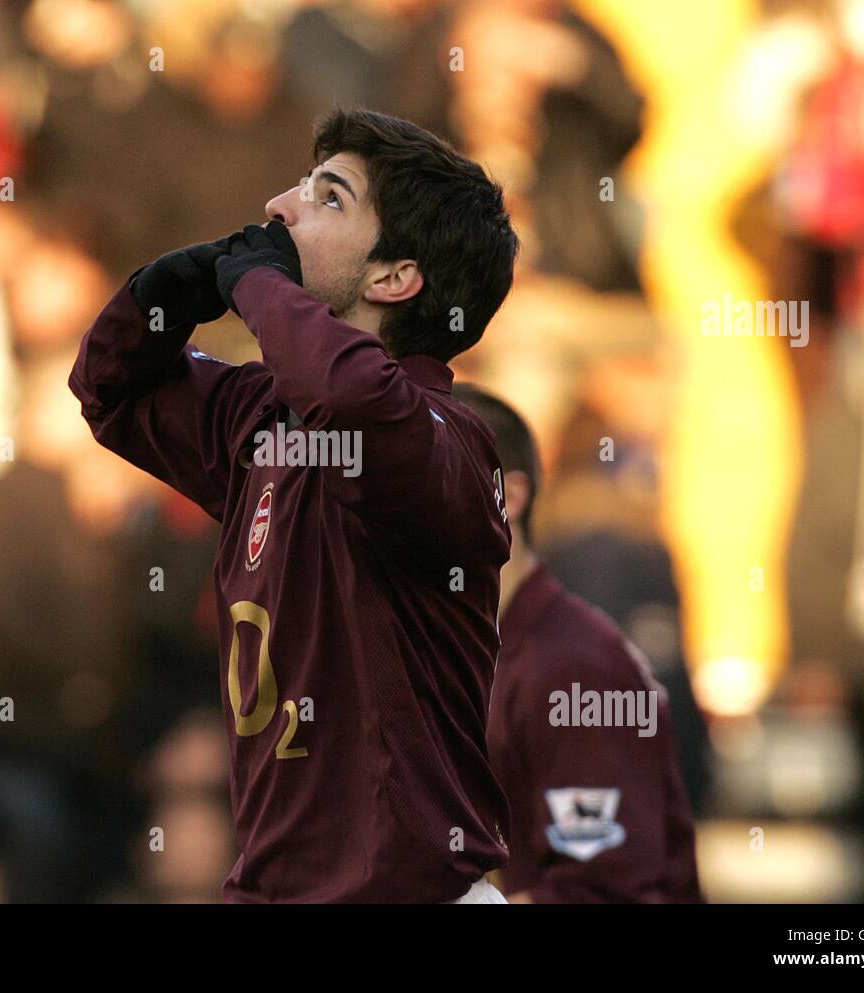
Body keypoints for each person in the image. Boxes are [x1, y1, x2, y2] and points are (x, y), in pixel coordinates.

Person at [69, 107, 519, 903]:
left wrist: (260, 286)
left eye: (330, 197)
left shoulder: (449, 439)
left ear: (393, 278)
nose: (280, 207)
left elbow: (354, 398)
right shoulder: (261, 414)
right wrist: (167, 291)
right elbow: (108, 389)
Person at [455, 383, 703, 903]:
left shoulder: (573, 669)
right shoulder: (457, 652)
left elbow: (608, 888)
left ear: (510, 498)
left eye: (430, 482)